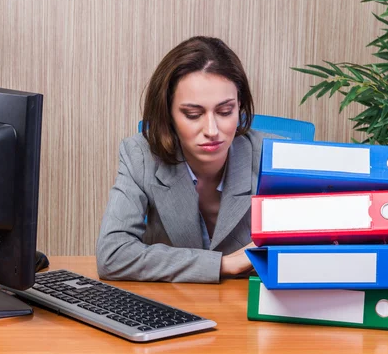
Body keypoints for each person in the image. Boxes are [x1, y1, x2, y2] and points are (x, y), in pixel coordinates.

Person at [96, 36, 265, 283]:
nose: (211, 129)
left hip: (248, 308)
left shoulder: (274, 155)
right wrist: (222, 264)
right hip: (171, 307)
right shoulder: (140, 155)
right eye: (193, 114)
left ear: (239, 105)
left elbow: (314, 248)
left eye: (225, 111)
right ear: (168, 115)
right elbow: (112, 256)